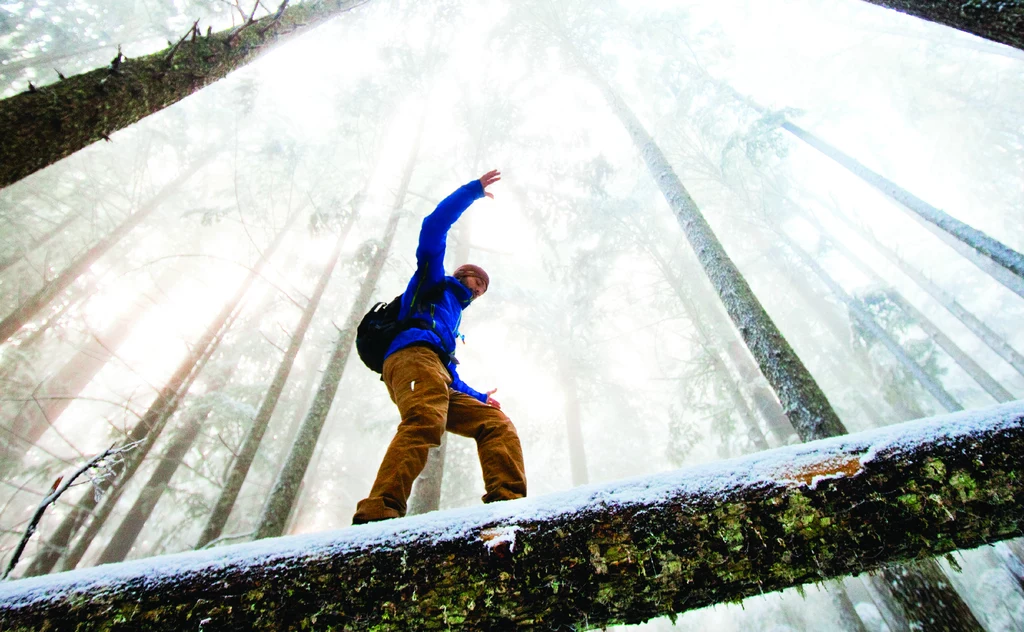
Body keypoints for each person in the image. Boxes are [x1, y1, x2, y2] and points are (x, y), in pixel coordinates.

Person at [352, 169, 527, 524]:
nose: (478, 290)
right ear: (462, 274)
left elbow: (444, 373)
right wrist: (472, 191)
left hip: (435, 370)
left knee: (495, 423)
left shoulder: (451, 320)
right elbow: (433, 228)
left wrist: (479, 398)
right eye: (477, 281)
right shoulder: (432, 284)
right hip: (410, 357)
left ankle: (508, 504)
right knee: (424, 421)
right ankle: (379, 509)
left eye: (482, 290)